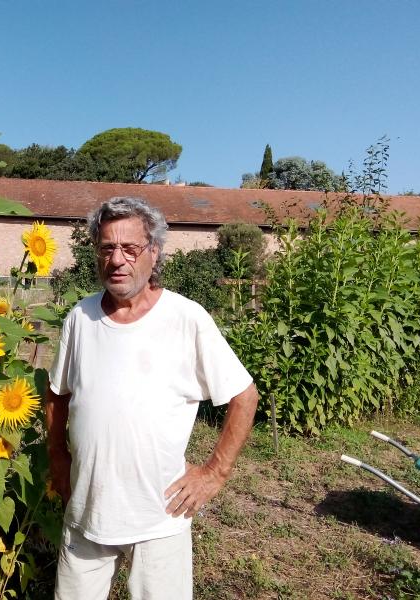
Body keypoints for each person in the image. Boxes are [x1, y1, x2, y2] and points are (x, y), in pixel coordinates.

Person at [46, 197, 259, 600]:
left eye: (130, 248)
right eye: (107, 247)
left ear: (154, 252)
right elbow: (57, 393)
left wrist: (215, 473)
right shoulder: (80, 318)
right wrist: (58, 457)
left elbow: (244, 396)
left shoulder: (185, 318)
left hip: (160, 515)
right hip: (87, 509)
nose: (117, 260)